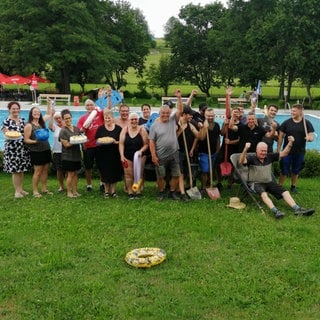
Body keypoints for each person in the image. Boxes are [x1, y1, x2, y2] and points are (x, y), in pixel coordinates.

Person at [240, 140, 315, 219]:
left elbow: (284, 153)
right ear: (256, 150)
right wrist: (245, 149)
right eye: (261, 151)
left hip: (269, 182)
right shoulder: (251, 158)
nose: (263, 153)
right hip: (255, 183)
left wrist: (290, 143)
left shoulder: (269, 156)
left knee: (285, 192)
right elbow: (241, 161)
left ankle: (297, 209)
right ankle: (276, 211)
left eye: (265, 151)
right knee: (264, 194)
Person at [149, 89, 183, 201]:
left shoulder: (173, 120)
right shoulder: (154, 126)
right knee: (160, 176)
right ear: (159, 113)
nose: (165, 115)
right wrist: (153, 155)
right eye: (163, 113)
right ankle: (161, 192)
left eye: (167, 113)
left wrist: (179, 97)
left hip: (174, 154)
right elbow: (151, 141)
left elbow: (180, 110)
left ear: (169, 114)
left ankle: (172, 192)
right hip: (160, 155)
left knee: (176, 174)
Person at [277, 103, 314, 193]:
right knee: (284, 169)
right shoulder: (287, 123)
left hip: (300, 151)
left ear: (300, 111)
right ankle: (280, 186)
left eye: (294, 111)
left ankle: (293, 186)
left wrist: (309, 138)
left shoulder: (307, 123)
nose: (292, 112)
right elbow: (280, 136)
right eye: (291, 111)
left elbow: (311, 135)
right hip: (286, 152)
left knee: (296, 170)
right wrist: (278, 150)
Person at [1, 101, 31, 198]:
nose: (15, 110)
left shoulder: (22, 120)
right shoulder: (6, 121)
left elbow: (26, 132)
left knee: (21, 170)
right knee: (15, 170)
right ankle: (17, 191)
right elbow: (6, 134)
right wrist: (16, 135)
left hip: (22, 148)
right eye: (13, 108)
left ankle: (21, 189)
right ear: (9, 110)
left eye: (17, 108)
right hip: (12, 149)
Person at [24, 105, 52, 198]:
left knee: (45, 170)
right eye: (35, 112)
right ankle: (35, 191)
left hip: (46, 149)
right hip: (36, 151)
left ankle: (44, 189)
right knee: (38, 171)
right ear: (31, 114)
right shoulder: (29, 125)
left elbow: (48, 113)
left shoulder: (41, 123)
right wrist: (35, 141)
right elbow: (26, 140)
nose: (37, 113)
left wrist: (49, 103)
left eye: (38, 112)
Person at [119, 112, 149, 199]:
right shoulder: (124, 130)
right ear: (129, 120)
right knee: (128, 174)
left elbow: (146, 144)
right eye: (132, 119)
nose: (134, 121)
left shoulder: (142, 130)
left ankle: (138, 191)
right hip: (127, 156)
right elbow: (121, 144)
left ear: (138, 120)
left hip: (140, 156)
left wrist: (141, 151)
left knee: (138, 174)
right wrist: (121, 155)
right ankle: (130, 192)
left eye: (135, 119)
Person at [77, 99, 104, 191]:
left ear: (94, 106)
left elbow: (107, 111)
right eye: (87, 105)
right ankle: (89, 185)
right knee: (88, 167)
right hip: (88, 146)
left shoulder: (99, 115)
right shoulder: (82, 119)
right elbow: (79, 132)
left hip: (99, 145)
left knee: (101, 165)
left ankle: (102, 183)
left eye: (91, 105)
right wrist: (83, 143)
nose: (89, 107)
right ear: (85, 107)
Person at [95, 109, 123, 198]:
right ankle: (106, 191)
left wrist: (115, 142)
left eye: (109, 118)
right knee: (105, 172)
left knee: (115, 172)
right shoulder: (100, 129)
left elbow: (122, 141)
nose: (107, 120)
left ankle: (113, 191)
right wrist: (101, 141)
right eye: (106, 118)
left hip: (115, 154)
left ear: (113, 118)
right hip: (103, 155)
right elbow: (97, 141)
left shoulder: (118, 129)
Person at [176, 106, 200, 201]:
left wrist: (203, 128)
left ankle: (183, 189)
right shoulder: (178, 123)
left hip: (187, 152)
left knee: (187, 172)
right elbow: (173, 138)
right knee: (180, 173)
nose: (191, 117)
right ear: (184, 115)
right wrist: (180, 130)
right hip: (178, 152)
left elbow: (198, 136)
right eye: (190, 115)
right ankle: (182, 193)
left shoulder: (190, 125)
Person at [215, 107, 241, 189]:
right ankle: (219, 182)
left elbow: (240, 140)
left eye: (237, 112)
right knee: (217, 164)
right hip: (224, 148)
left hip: (234, 149)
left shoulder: (241, 125)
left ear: (239, 114)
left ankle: (230, 183)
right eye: (234, 112)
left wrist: (230, 142)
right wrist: (225, 125)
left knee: (232, 166)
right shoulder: (226, 122)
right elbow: (222, 133)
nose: (235, 114)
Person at [59, 109, 82, 198]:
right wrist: (75, 140)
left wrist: (81, 139)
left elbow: (82, 137)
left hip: (76, 155)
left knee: (76, 174)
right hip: (67, 156)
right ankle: (69, 192)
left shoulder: (76, 128)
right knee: (70, 174)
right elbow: (66, 145)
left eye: (69, 118)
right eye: (66, 119)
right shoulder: (63, 131)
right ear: (63, 120)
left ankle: (75, 191)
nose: (68, 120)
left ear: (71, 118)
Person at [197, 108, 221, 192]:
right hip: (203, 152)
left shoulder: (217, 125)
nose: (210, 117)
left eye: (212, 116)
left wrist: (218, 149)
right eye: (208, 116)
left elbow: (218, 137)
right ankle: (203, 187)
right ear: (205, 115)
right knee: (205, 170)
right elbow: (202, 137)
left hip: (213, 152)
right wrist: (204, 128)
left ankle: (210, 184)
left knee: (211, 169)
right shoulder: (201, 125)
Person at [48, 106, 65, 192]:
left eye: (60, 118)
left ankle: (69, 185)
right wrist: (51, 115)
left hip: (67, 151)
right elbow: (50, 125)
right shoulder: (55, 127)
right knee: (59, 170)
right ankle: (61, 186)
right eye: (56, 118)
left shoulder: (68, 126)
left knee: (69, 170)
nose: (58, 119)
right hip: (57, 151)